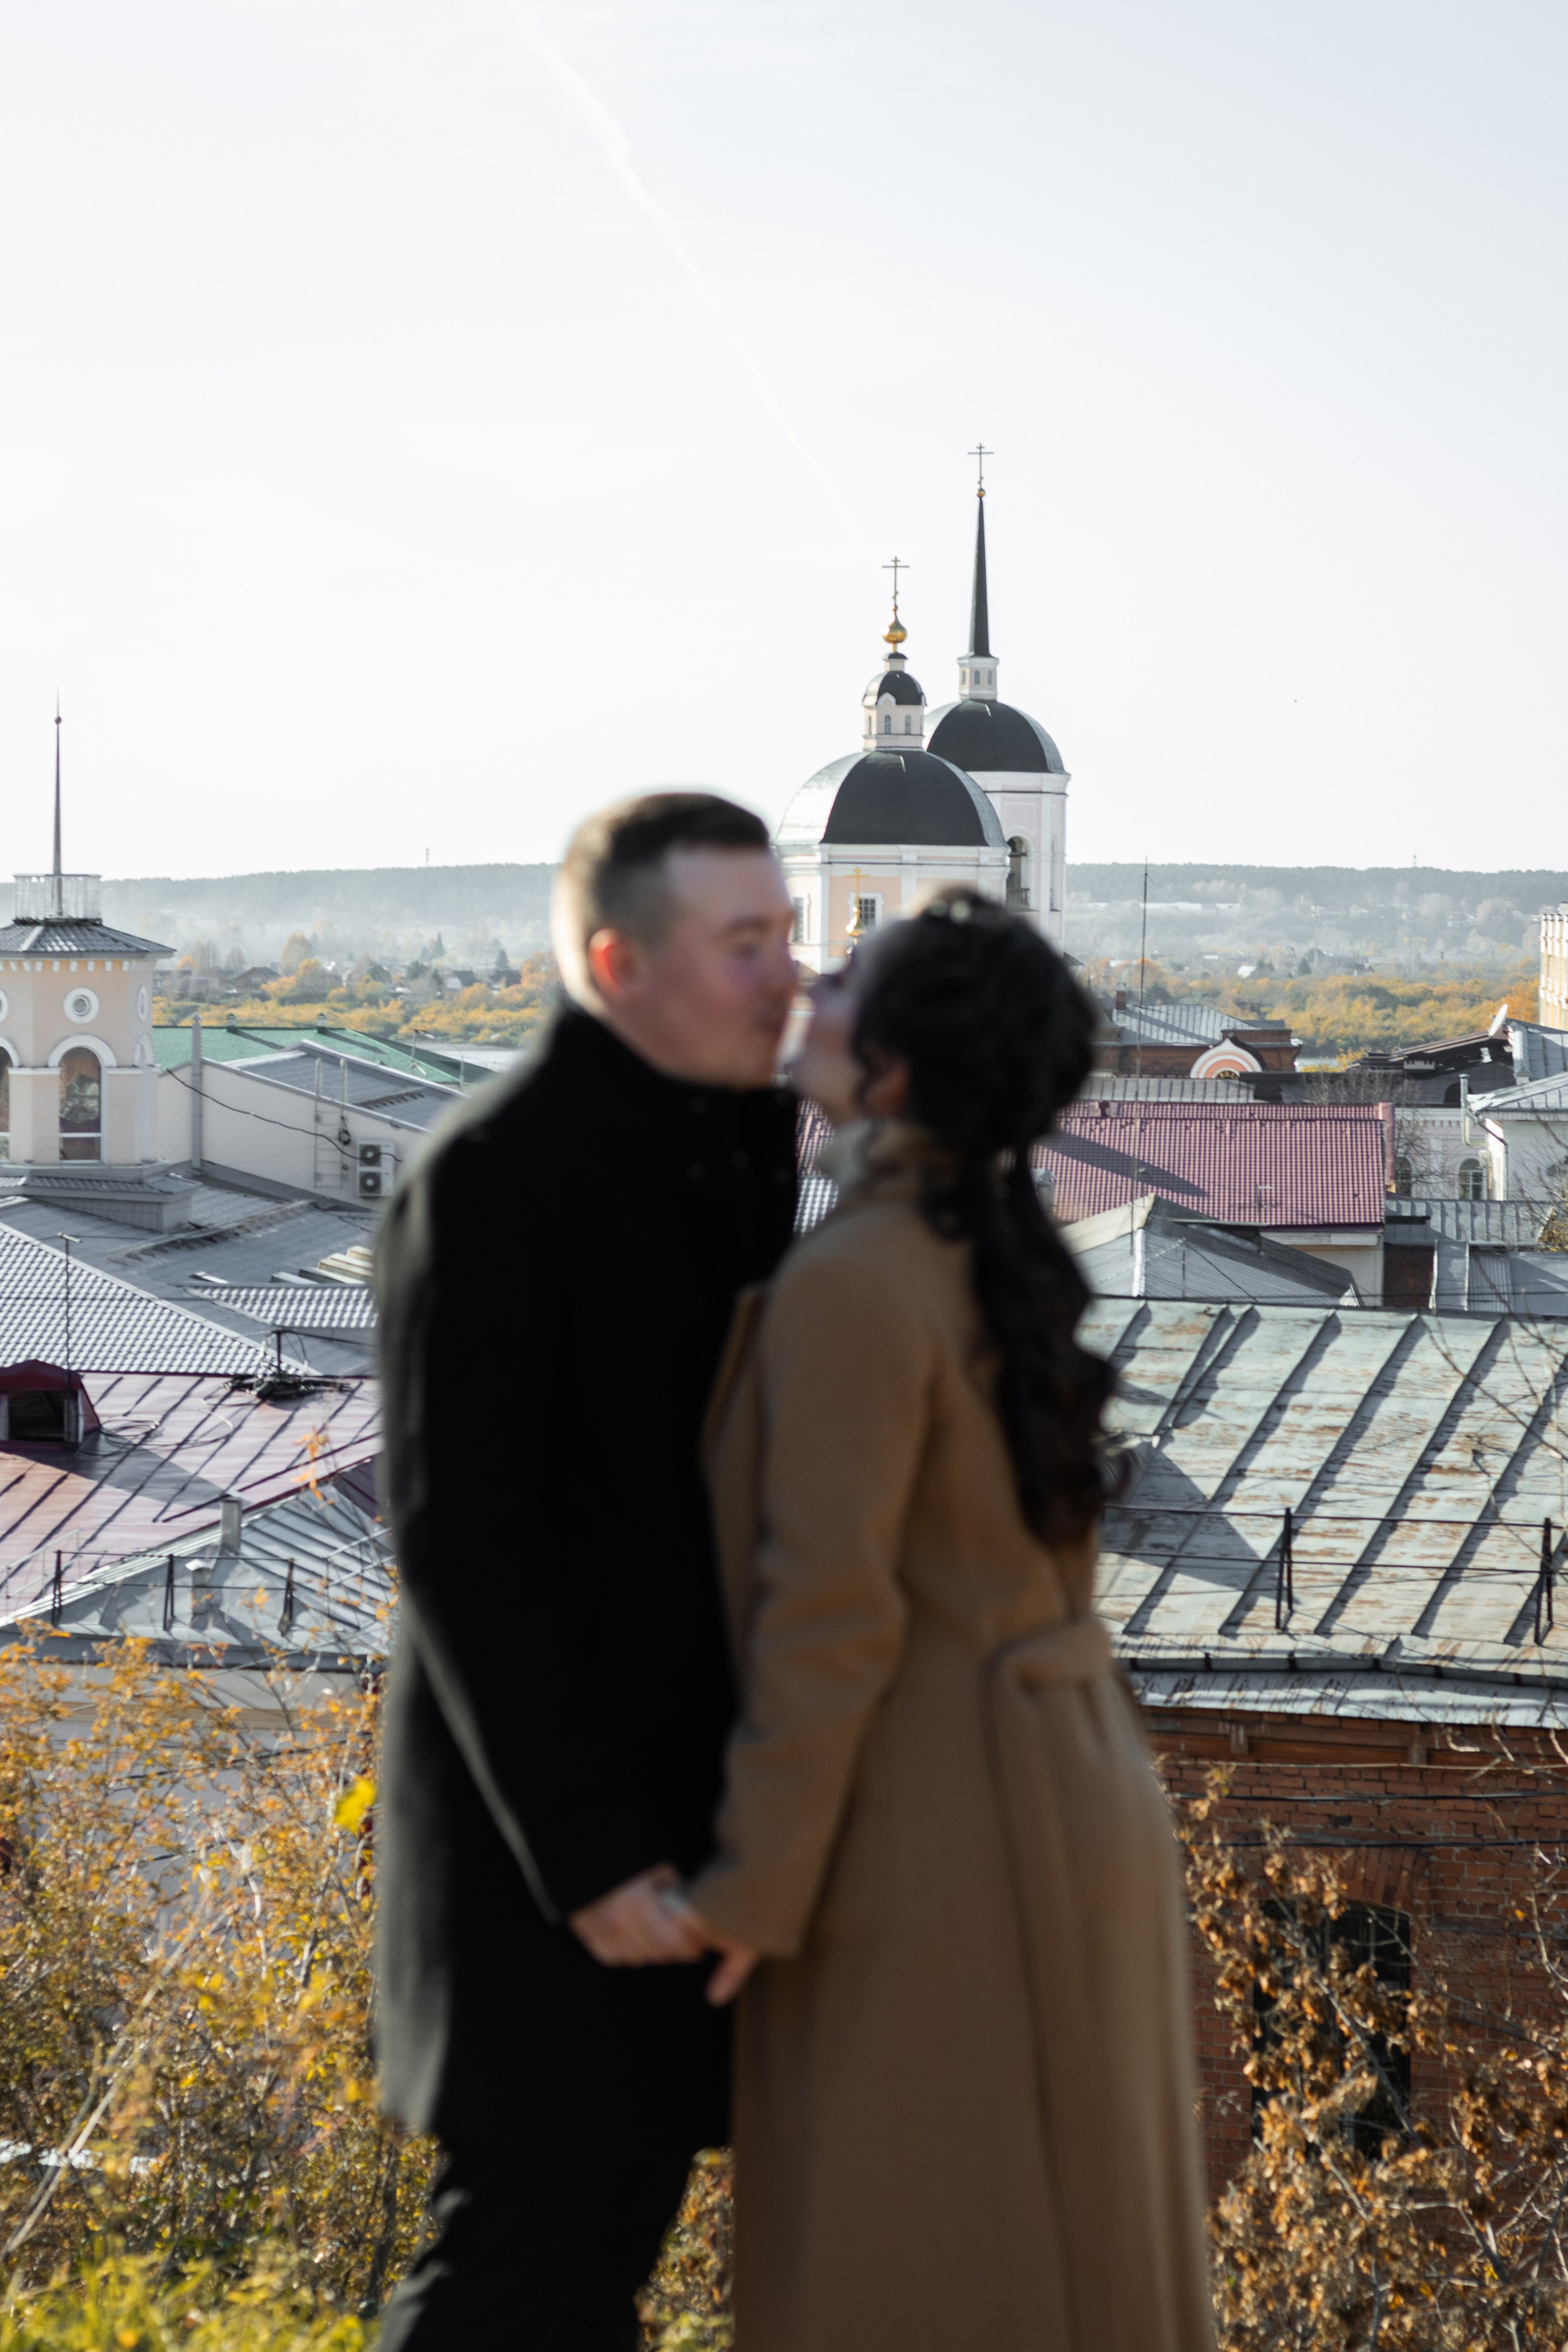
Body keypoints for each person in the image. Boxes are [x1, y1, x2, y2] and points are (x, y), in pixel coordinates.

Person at [674, 889, 1216, 2352]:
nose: (809, 986)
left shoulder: (855, 1279)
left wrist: (747, 1892)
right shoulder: (982, 1254)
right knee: (1069, 2263)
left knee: (917, 2271)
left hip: (938, 1836)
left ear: (895, 1067)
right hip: (1059, 1796)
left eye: (845, 980)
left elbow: (826, 1621)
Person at [372, 793, 799, 2352]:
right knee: (511, 2275)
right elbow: (461, 1543)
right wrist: (590, 1855)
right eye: (744, 943)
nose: (787, 977)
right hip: (543, 1855)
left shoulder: (704, 1154)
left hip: (663, 1838)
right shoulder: (489, 1177)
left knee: (595, 2272)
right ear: (616, 961)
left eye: (789, 938)